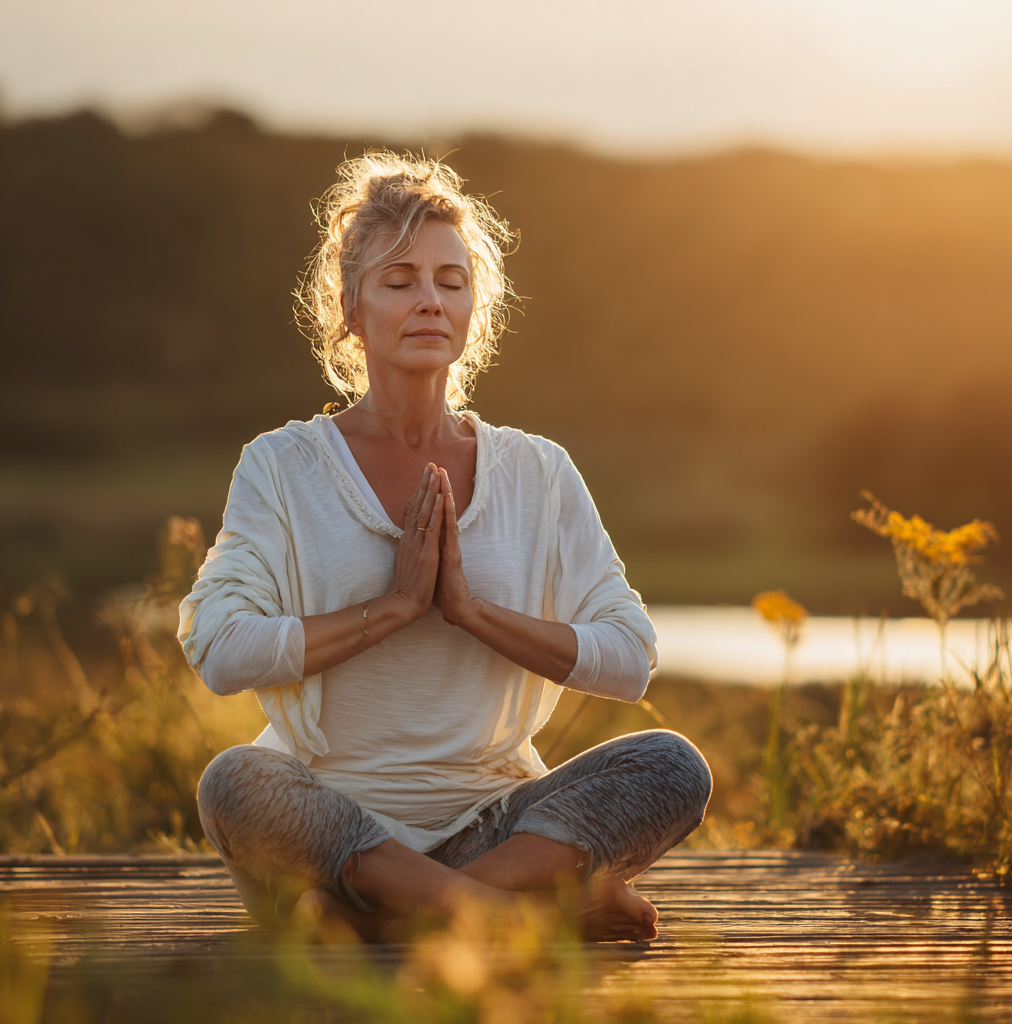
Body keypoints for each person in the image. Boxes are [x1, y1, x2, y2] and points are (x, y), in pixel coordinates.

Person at [178, 153, 712, 943]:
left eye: (450, 281)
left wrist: (468, 611)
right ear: (352, 309)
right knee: (237, 780)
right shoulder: (283, 467)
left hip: (498, 822)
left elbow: (630, 659)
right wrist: (391, 609)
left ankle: (392, 914)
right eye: (399, 281)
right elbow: (220, 650)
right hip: (332, 827)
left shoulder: (537, 471)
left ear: (473, 309)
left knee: (672, 766)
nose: (429, 299)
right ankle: (509, 912)